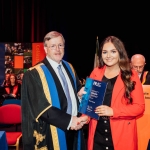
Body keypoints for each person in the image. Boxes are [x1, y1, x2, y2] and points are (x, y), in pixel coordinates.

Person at [21, 31, 88, 150]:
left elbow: (75, 92)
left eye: (60, 45)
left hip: (74, 129)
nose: (57, 49)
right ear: (45, 49)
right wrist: (70, 121)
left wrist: (79, 95)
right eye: (53, 46)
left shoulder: (69, 67)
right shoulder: (34, 74)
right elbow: (41, 108)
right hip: (51, 131)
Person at [87, 36, 145, 150]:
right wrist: (84, 116)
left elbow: (139, 107)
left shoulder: (131, 75)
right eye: (105, 52)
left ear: (120, 52)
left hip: (122, 134)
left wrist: (113, 111)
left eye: (113, 51)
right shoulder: (96, 72)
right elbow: (90, 102)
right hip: (97, 134)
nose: (108, 56)